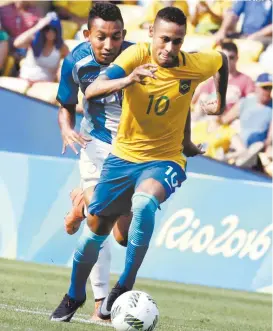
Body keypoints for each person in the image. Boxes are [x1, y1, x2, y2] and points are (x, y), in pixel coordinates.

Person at [51, 6, 228, 322]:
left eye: (116, 37)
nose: (109, 45)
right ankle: (88, 299)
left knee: (133, 219)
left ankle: (117, 280)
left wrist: (211, 113)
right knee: (101, 230)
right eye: (102, 37)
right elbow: (78, 97)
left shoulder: (169, 60)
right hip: (105, 147)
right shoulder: (98, 60)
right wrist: (68, 126)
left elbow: (195, 83)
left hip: (155, 154)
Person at [220, 73, 272, 167]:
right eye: (265, 88)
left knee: (257, 147)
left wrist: (265, 146)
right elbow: (224, 121)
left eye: (270, 88)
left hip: (256, 150)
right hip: (237, 145)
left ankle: (234, 157)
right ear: (256, 87)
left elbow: (269, 138)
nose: (268, 91)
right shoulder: (245, 102)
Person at [192, 41, 254, 120]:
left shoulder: (246, 80)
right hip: (210, 118)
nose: (228, 61)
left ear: (237, 58)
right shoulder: (211, 80)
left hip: (233, 120)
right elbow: (199, 102)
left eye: (231, 57)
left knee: (243, 102)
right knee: (203, 98)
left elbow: (251, 102)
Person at [13, 13, 69, 84]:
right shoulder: (33, 40)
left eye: (54, 29)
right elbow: (17, 43)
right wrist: (37, 27)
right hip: (23, 80)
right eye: (47, 29)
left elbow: (71, 63)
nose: (50, 32)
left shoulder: (61, 47)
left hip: (43, 86)